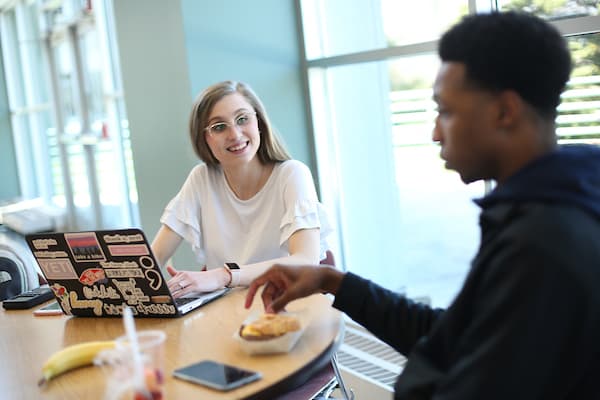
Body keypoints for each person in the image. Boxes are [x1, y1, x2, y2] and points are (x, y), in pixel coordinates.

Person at [245, 12, 600, 399]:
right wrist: (333, 282)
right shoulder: (545, 211)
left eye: (445, 111)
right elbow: (458, 336)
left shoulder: (542, 245)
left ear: (504, 112)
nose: (434, 132)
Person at [151, 80, 332, 298]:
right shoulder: (201, 179)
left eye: (242, 119)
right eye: (219, 127)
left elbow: (306, 260)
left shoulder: (292, 174)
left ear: (259, 122)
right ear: (205, 138)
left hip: (287, 307)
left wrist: (224, 276)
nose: (235, 135)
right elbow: (154, 258)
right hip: (227, 313)